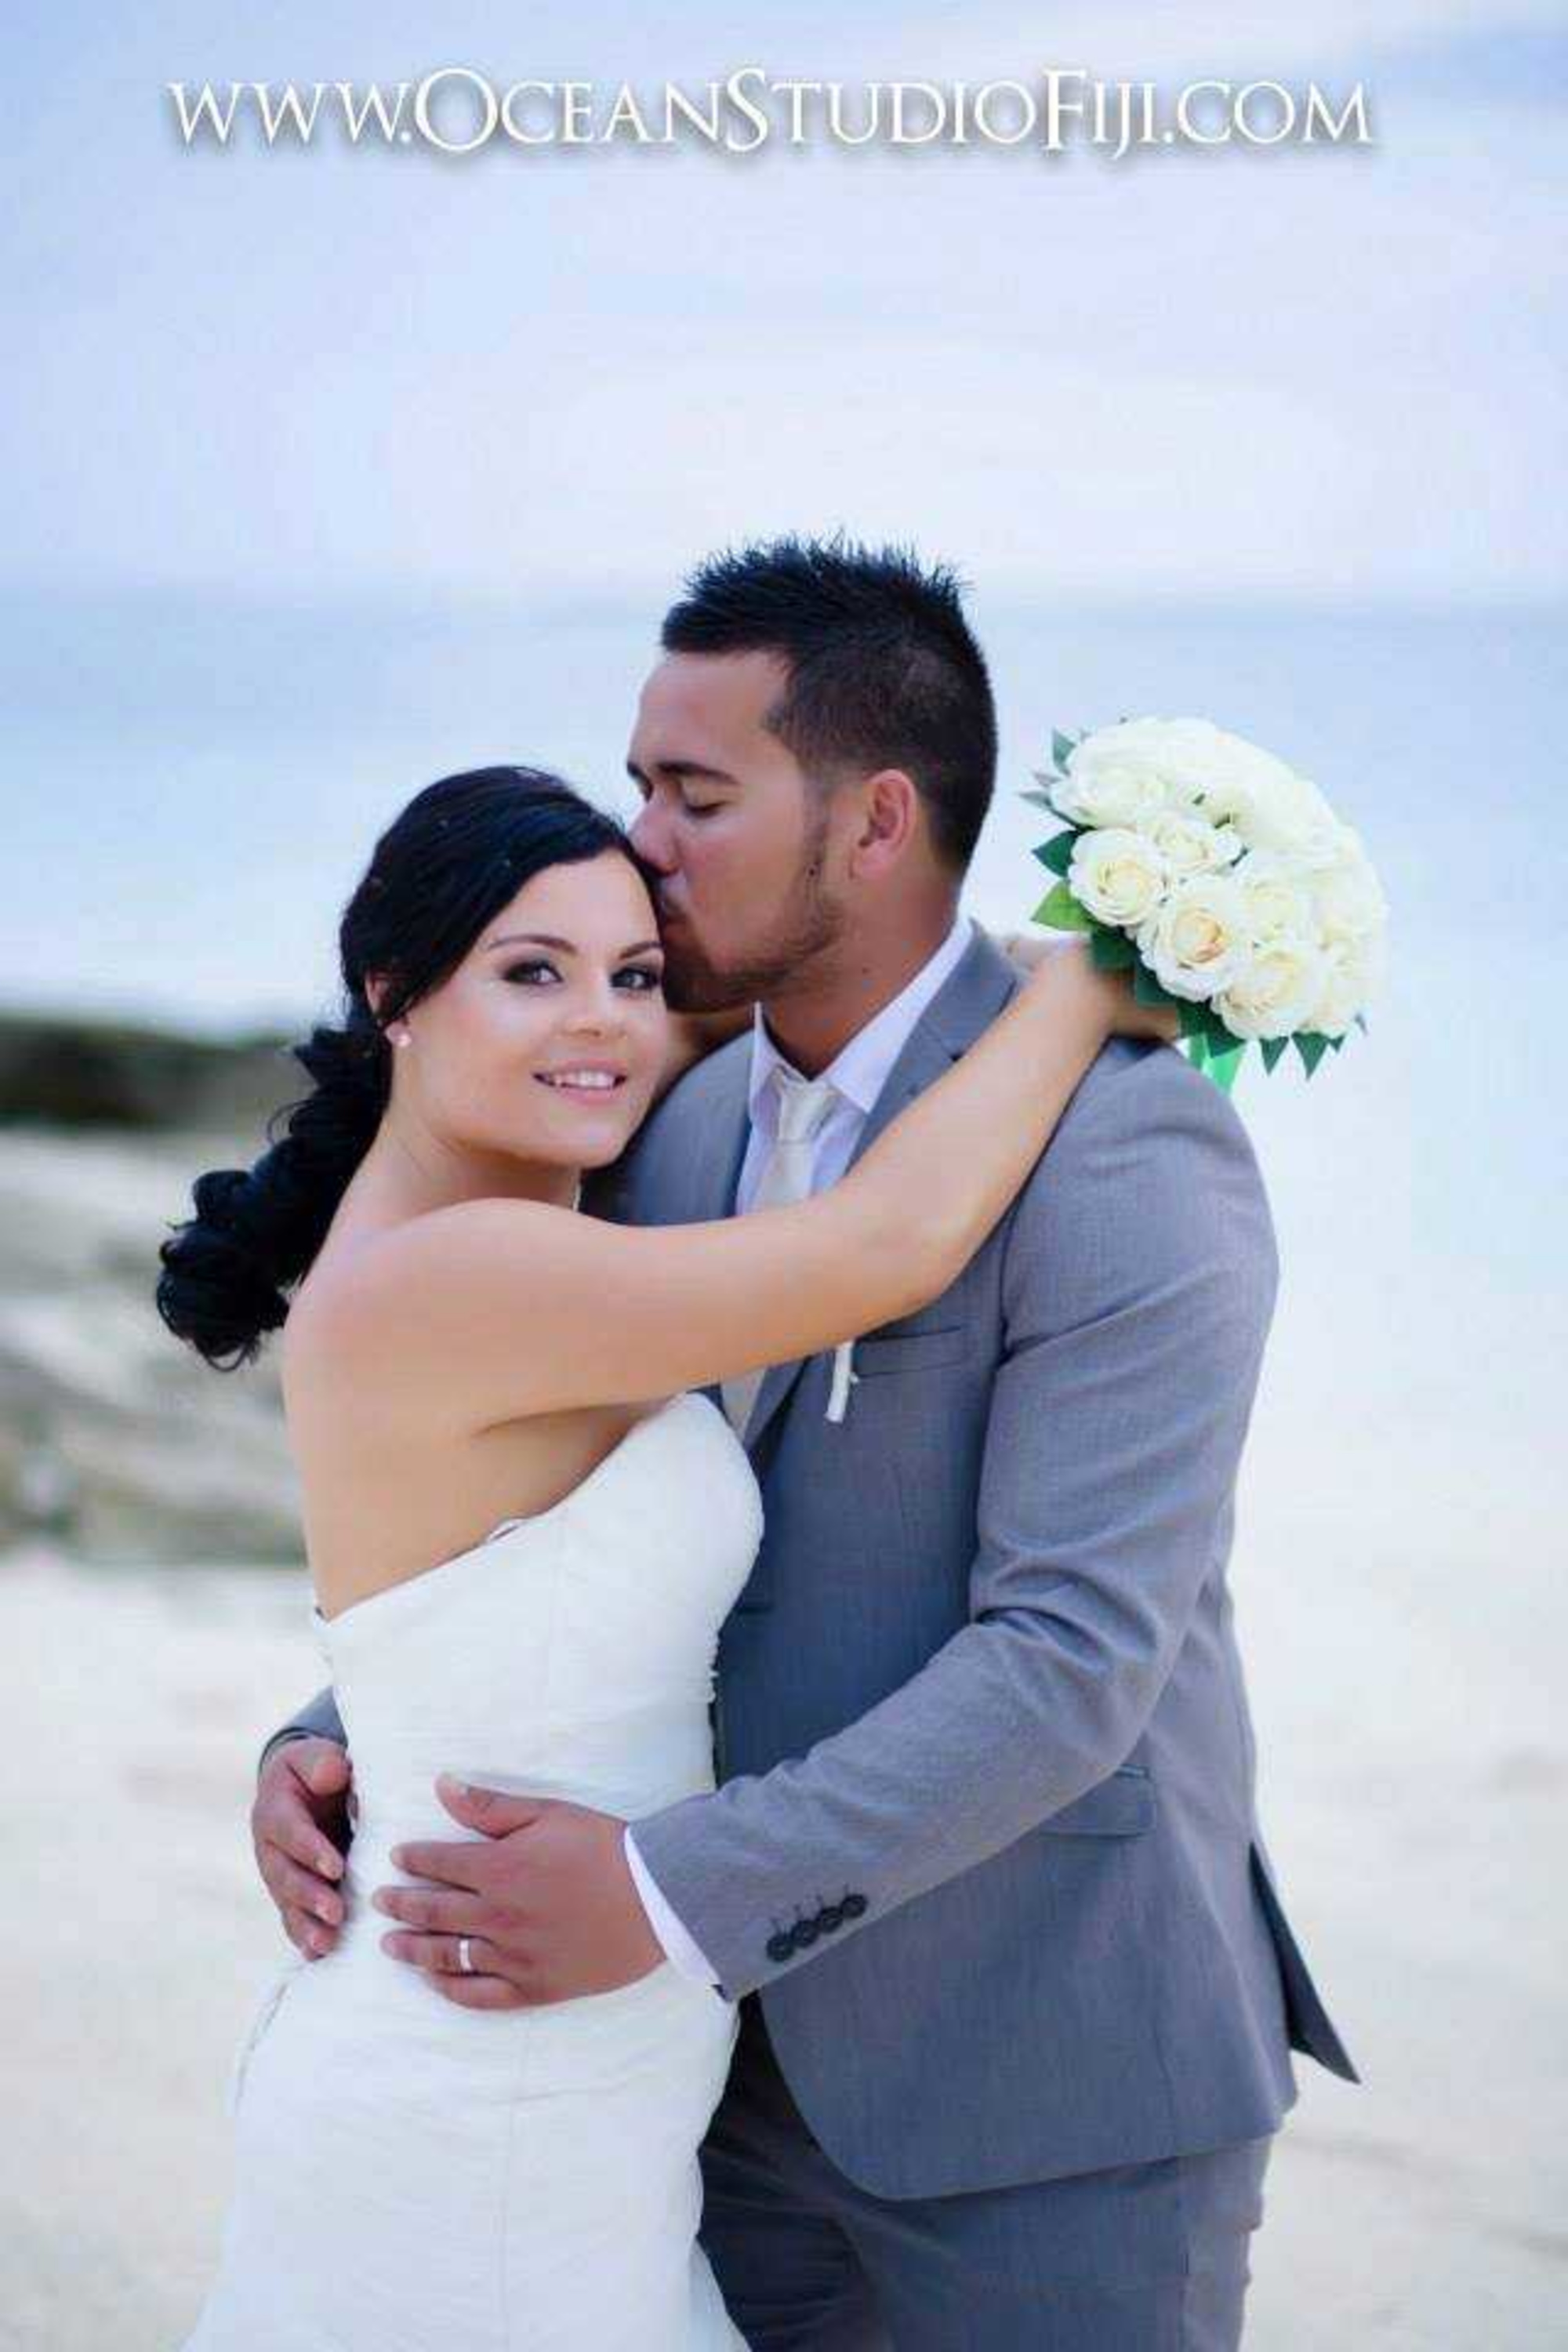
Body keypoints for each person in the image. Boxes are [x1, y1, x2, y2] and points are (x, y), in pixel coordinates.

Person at [250, 540, 1359, 2350]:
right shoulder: (667, 1128)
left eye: (693, 794)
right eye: (639, 786)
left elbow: (1074, 1662)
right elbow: (560, 1512)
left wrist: (658, 1896)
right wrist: (350, 1730)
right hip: (710, 2089)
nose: (643, 842)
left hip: (1043, 2090)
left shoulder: (1128, 1152)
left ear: (871, 822)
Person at [161, 754, 1170, 2350]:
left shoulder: (499, 1230)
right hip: (477, 2109)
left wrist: (325, 1728)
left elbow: (488, 1605)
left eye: (631, 975)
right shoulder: (462, 1273)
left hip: (570, 2098)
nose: (604, 1024)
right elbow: (887, 1245)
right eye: (531, 974)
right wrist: (1082, 983)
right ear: (394, 995)